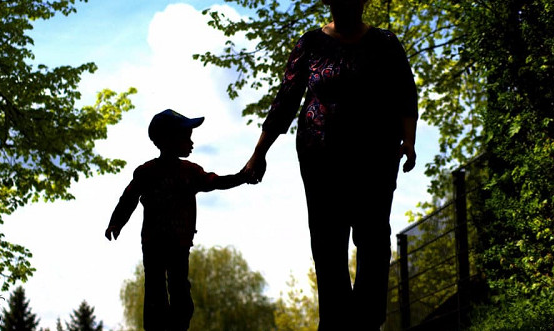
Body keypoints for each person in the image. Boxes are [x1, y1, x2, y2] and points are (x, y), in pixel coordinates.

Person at [242, 0, 418, 329]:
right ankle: (336, 323)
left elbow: (405, 93)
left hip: (376, 157)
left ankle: (367, 322)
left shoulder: (386, 44)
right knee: (327, 241)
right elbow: (286, 99)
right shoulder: (310, 44)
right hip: (320, 158)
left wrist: (408, 140)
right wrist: (259, 151)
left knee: (374, 238)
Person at [105, 109, 251, 331]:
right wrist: (116, 222)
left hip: (178, 244)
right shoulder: (148, 172)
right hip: (155, 243)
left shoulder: (189, 172)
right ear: (167, 140)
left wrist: (241, 177)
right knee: (156, 291)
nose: (191, 143)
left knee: (179, 291)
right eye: (186, 137)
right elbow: (129, 199)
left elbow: (215, 182)